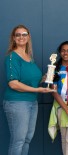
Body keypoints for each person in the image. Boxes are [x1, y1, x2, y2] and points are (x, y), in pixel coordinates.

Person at [3, 24, 52, 155]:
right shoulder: (12, 57)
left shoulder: (29, 58)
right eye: (18, 35)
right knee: (18, 140)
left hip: (32, 103)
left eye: (24, 34)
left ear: (28, 37)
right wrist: (38, 91)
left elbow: (32, 80)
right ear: (13, 38)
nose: (21, 37)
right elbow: (13, 84)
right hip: (17, 103)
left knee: (26, 139)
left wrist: (46, 78)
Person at [48, 41, 68, 155]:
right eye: (63, 50)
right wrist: (66, 110)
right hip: (61, 107)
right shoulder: (53, 68)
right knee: (64, 138)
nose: (66, 53)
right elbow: (53, 91)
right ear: (60, 52)